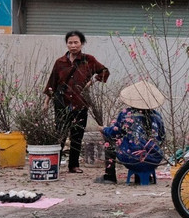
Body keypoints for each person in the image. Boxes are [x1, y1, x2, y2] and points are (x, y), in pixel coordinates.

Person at [43, 31, 109, 175]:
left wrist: (92, 81)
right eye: (70, 43)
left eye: (76, 42)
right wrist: (46, 102)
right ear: (66, 44)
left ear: (82, 43)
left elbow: (104, 71)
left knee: (77, 134)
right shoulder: (60, 62)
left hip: (80, 103)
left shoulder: (88, 60)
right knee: (60, 134)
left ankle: (73, 165)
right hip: (61, 102)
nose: (73, 45)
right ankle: (55, 165)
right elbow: (52, 83)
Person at [100, 81, 166, 185]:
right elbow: (162, 136)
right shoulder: (157, 116)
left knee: (110, 140)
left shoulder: (126, 114)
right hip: (154, 158)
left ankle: (110, 176)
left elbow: (114, 133)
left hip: (131, 158)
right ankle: (145, 175)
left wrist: (104, 130)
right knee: (142, 144)